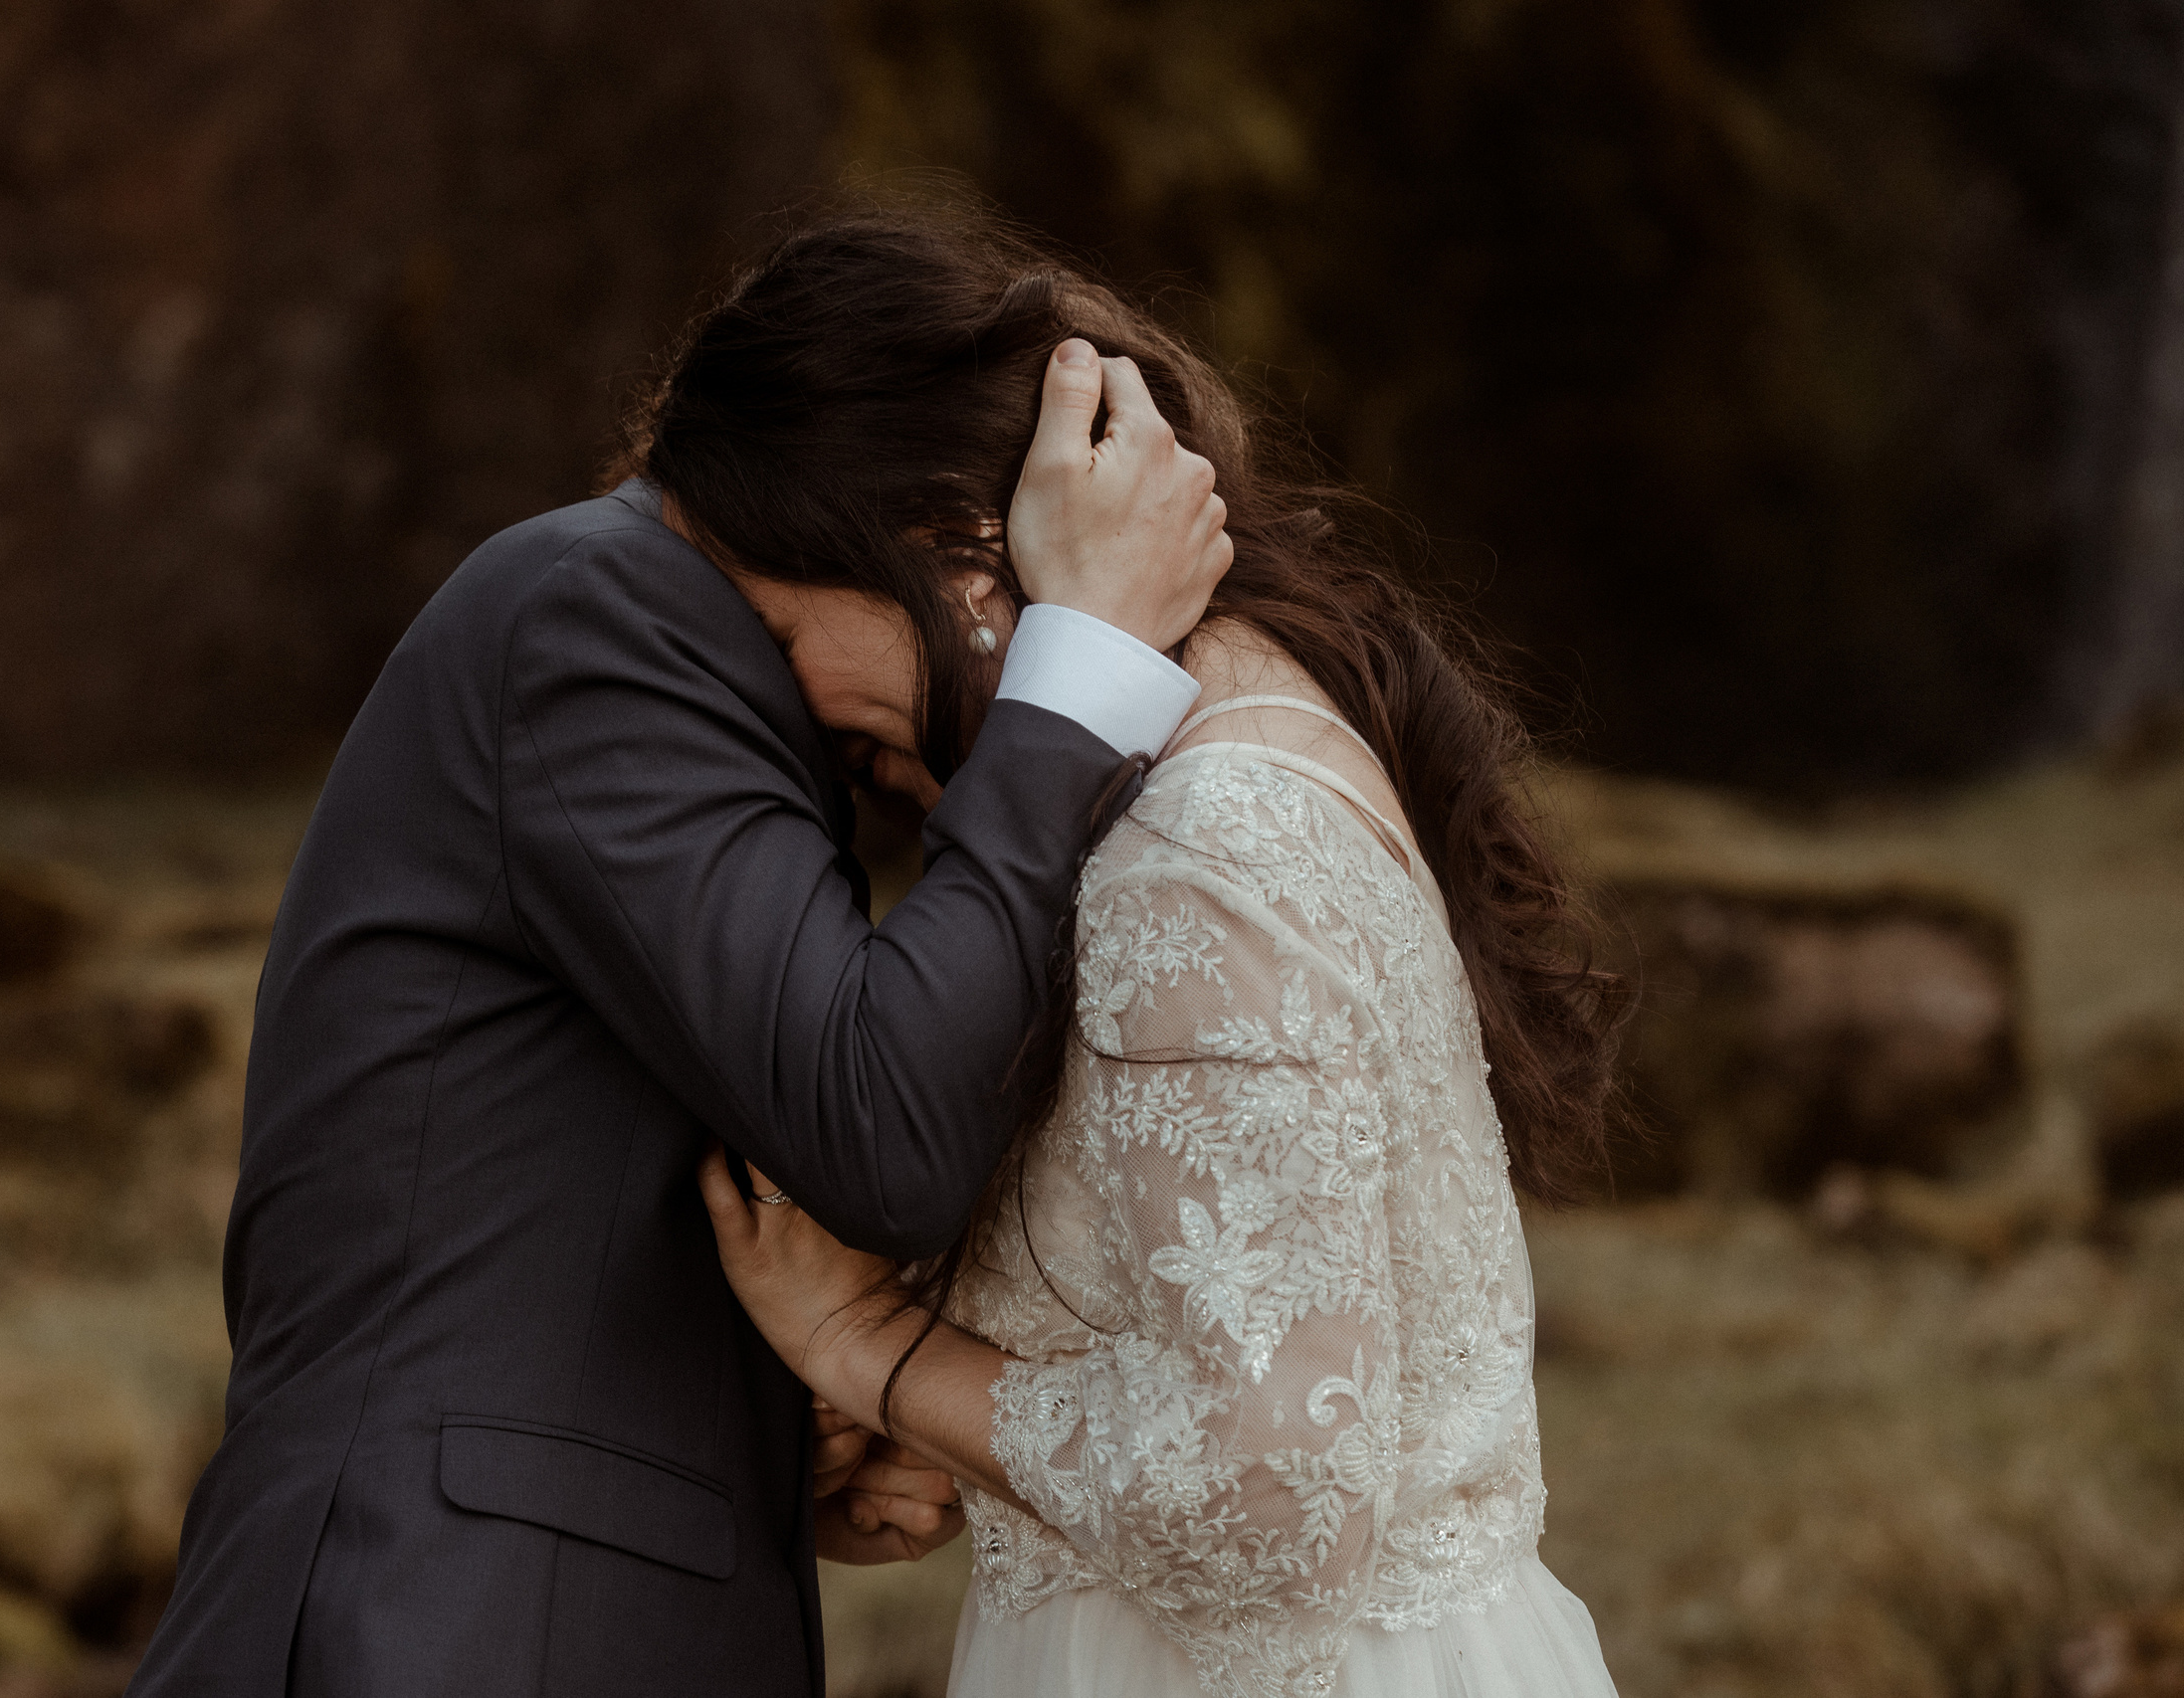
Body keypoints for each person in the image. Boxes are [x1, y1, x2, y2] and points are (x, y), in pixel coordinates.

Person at [124, 240, 1233, 1692]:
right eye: (1004, 650)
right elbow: (881, 1126)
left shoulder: (680, 671)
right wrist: (1081, 669)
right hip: (431, 1625)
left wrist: (792, 1426)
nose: (953, 788)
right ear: (953, 540)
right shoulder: (602, 615)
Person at [697, 215, 1631, 1696]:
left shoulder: (1203, 846)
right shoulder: (1240, 749)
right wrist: (954, 1437)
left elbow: (1274, 1512)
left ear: (948, 544)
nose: (768, 700)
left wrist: (868, 1345)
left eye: (765, 626)